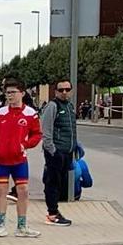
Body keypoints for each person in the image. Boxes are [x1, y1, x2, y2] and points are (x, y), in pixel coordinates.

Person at [0, 82, 41, 240]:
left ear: (22, 93)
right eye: (7, 93)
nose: (10, 95)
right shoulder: (1, 113)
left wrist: (25, 145)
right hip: (2, 160)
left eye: (13, 92)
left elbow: (37, 134)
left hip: (20, 160)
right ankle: (1, 225)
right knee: (1, 191)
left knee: (23, 190)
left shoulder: (30, 113)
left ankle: (22, 226)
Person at [39, 78, 77, 227]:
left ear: (71, 91)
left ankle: (55, 211)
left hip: (67, 152)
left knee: (60, 183)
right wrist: (53, 150)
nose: (64, 92)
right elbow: (46, 130)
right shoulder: (52, 106)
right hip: (56, 152)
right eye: (61, 90)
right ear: (55, 92)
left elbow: (72, 130)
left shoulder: (70, 107)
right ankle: (52, 214)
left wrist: (74, 148)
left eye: (67, 89)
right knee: (52, 183)